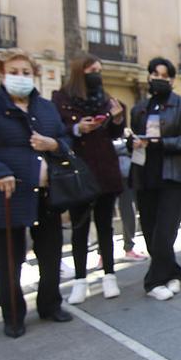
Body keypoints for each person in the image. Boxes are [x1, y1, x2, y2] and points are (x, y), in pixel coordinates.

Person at [0, 48, 73, 338]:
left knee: (50, 253)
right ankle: (13, 316)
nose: (21, 77)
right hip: (4, 197)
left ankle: (50, 304)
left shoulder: (45, 108)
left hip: (45, 194)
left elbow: (65, 140)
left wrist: (54, 145)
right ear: (2, 74)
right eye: (14, 72)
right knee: (9, 260)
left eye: (26, 73)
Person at [52, 54, 126, 303]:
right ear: (79, 71)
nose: (97, 73)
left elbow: (114, 133)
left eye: (99, 69)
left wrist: (116, 118)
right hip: (77, 171)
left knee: (105, 226)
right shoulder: (60, 98)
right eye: (92, 69)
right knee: (79, 227)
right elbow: (56, 131)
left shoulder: (105, 98)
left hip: (105, 168)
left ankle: (109, 276)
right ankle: (80, 281)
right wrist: (76, 129)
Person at [129, 57, 181, 300]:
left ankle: (153, 282)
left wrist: (162, 143)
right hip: (145, 177)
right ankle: (173, 273)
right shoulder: (139, 108)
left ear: (171, 79)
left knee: (165, 232)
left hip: (174, 176)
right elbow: (135, 140)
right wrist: (135, 143)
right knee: (150, 232)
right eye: (154, 74)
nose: (158, 79)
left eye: (163, 75)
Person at [113, 136, 147, 262]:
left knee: (129, 211)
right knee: (104, 216)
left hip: (126, 174)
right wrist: (126, 147)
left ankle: (129, 248)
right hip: (107, 173)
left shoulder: (127, 129)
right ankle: (103, 254)